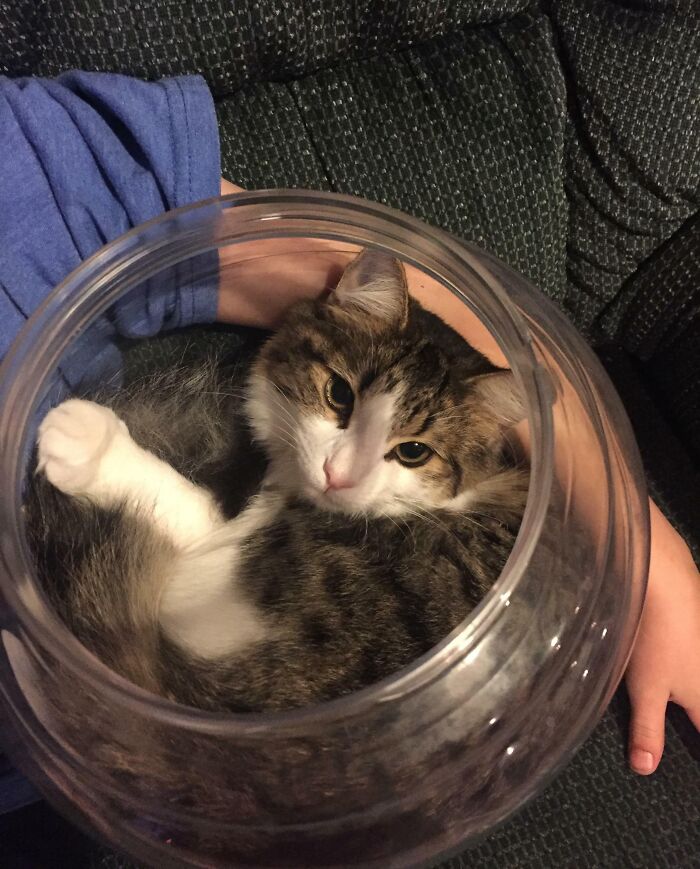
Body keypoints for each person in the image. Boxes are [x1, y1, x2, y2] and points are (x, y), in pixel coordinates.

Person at [1, 71, 698, 777]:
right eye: (338, 398)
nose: (342, 471)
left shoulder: (36, 162)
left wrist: (636, 540)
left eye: (412, 450)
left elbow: (285, 251)